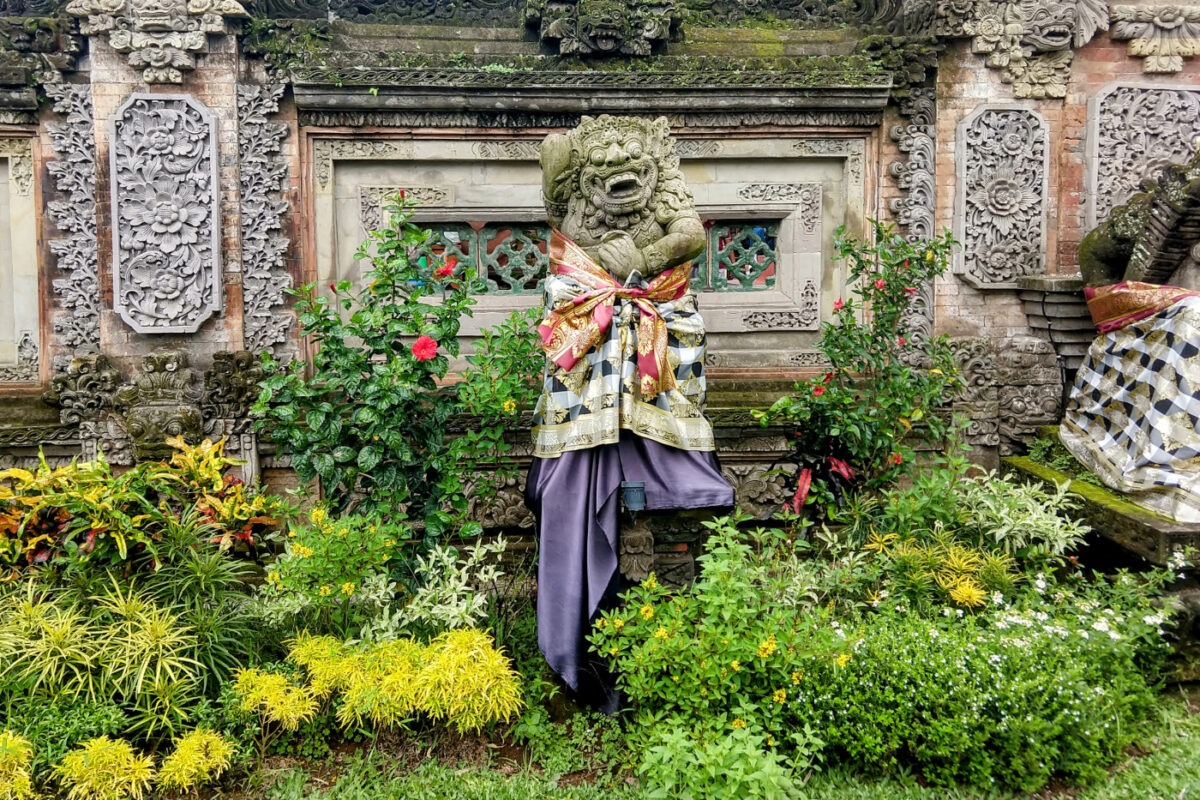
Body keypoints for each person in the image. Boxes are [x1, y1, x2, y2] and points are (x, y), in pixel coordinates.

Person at [524, 115, 734, 708]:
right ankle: (592, 477)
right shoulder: (575, 201)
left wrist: (642, 255)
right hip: (588, 328)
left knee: (663, 387)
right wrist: (562, 162)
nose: (621, 172)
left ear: (652, 165)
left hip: (653, 311)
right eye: (606, 163)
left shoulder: (664, 187)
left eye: (632, 163)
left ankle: (654, 462)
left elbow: (690, 234)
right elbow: (562, 229)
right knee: (581, 406)